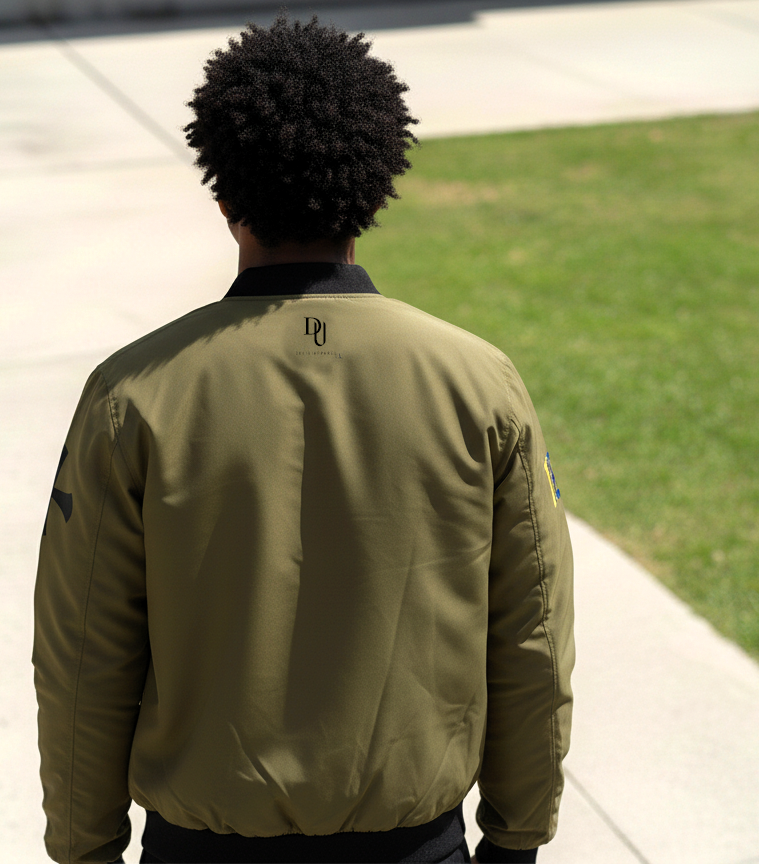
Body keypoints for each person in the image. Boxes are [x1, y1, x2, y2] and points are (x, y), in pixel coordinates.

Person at [33, 14, 574, 864]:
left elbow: (81, 659)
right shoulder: (479, 384)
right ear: (374, 189)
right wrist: (518, 837)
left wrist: (84, 847)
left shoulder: (131, 395)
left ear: (224, 197)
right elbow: (532, 636)